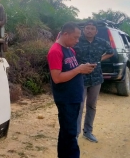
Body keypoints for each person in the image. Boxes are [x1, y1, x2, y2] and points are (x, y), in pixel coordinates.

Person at [47, 22, 96, 158]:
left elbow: (71, 70)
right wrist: (79, 69)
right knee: (70, 133)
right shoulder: (55, 51)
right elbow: (57, 78)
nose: (77, 41)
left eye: (78, 38)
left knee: (66, 133)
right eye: (75, 37)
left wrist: (82, 68)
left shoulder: (70, 49)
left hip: (74, 97)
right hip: (66, 99)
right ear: (65, 34)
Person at [74, 20, 114, 143]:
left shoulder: (101, 42)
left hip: (96, 78)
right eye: (87, 28)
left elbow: (111, 52)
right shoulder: (77, 42)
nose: (89, 30)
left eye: (92, 28)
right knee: (79, 106)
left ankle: (88, 132)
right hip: (80, 78)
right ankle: (75, 134)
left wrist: (99, 59)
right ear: (83, 29)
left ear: (96, 31)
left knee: (92, 105)